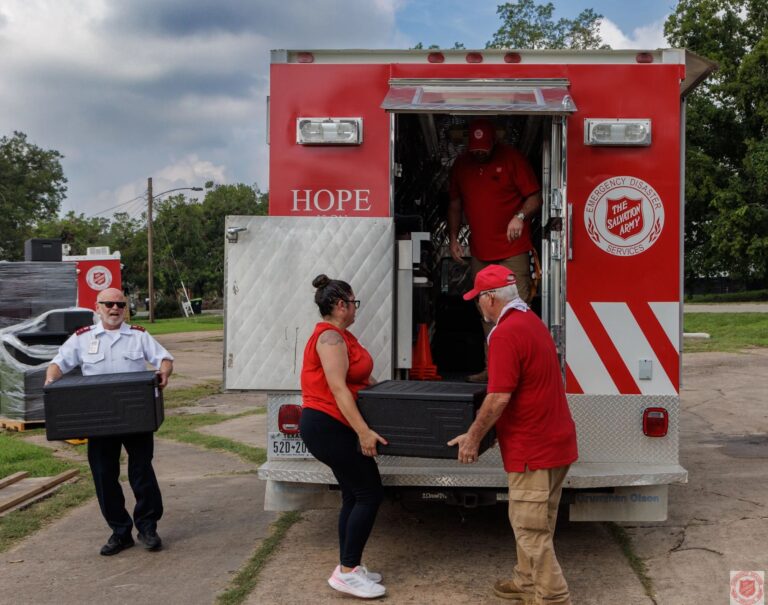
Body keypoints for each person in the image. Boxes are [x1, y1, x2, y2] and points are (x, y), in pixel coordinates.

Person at [448, 265, 578, 605]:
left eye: (478, 299)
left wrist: (473, 436)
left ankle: (552, 596)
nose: (477, 305)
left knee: (528, 526)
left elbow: (498, 397)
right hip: (555, 441)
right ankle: (525, 582)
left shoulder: (504, 334)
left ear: (490, 298)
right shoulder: (531, 322)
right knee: (539, 520)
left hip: (532, 447)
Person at [45, 288, 174, 556]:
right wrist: (51, 380)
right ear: (98, 307)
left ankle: (148, 527)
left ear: (125, 308)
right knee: (104, 475)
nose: (114, 309)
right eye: (109, 304)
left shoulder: (139, 336)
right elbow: (59, 363)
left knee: (142, 473)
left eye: (120, 304)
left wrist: (164, 372)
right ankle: (120, 532)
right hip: (99, 419)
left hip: (136, 416)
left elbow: (164, 358)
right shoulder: (82, 338)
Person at [299, 274, 388, 600]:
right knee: (369, 493)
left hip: (336, 425)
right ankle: (348, 573)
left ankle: (350, 566)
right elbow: (337, 388)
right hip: (327, 425)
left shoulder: (342, 337)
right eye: (354, 303)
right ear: (340, 305)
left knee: (353, 494)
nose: (355, 309)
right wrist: (364, 432)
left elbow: (359, 378)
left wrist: (389, 394)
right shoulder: (330, 340)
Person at [448, 118, 542, 383]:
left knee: (517, 309)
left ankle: (521, 372)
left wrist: (520, 217)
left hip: (513, 249)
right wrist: (454, 238)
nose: (479, 153)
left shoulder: (513, 159)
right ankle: (493, 370)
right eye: (475, 148)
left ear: (494, 143)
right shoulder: (461, 165)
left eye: (484, 149)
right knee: (487, 313)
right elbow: (455, 204)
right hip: (481, 252)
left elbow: (535, 196)